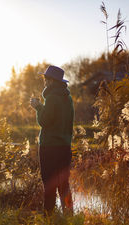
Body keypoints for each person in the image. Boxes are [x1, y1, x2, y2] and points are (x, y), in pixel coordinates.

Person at [30, 65, 74, 215]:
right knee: (64, 184)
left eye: (45, 79)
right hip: (65, 147)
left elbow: (45, 120)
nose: (44, 82)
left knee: (49, 184)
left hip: (50, 148)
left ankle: (49, 220)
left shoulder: (52, 97)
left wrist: (37, 107)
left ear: (50, 81)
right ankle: (70, 217)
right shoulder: (68, 98)